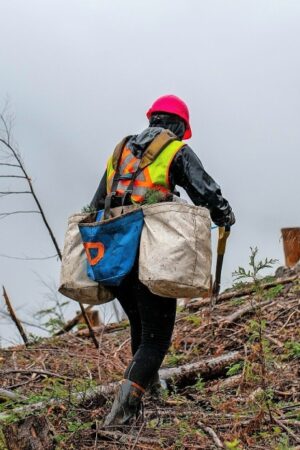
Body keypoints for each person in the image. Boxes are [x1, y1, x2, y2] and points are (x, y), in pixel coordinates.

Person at [90, 95, 235, 426]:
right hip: (150, 252)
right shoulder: (174, 149)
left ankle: (152, 394)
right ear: (180, 126)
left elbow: (97, 201)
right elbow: (206, 192)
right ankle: (120, 418)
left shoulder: (121, 151)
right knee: (156, 339)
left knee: (142, 329)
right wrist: (225, 214)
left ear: (152, 118)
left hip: (113, 253)